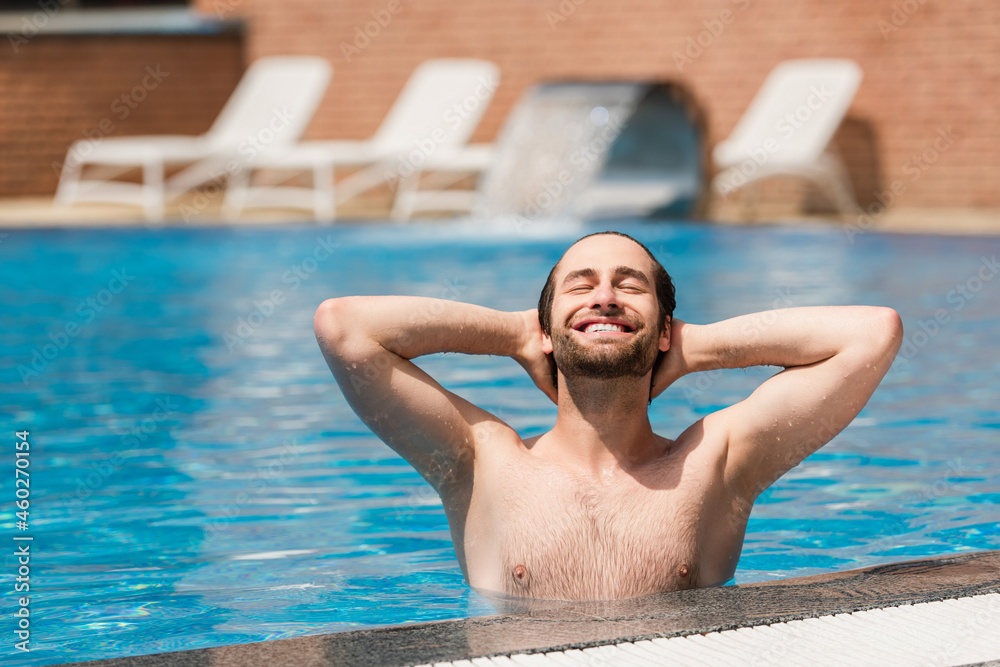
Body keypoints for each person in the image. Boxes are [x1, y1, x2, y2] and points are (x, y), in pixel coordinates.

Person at [313, 231, 903, 601]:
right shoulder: (480, 460)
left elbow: (872, 334)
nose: (605, 297)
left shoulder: (716, 463)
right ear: (544, 327)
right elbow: (344, 328)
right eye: (581, 286)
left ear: (665, 327)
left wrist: (692, 347)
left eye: (629, 286)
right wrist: (517, 332)